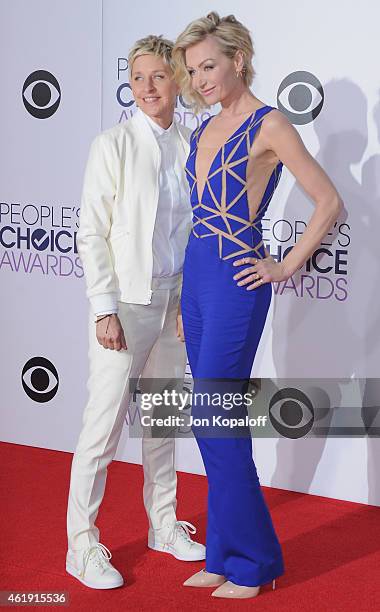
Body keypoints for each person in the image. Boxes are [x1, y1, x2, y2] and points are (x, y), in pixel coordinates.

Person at [172, 12, 343, 600]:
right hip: (196, 278)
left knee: (212, 416)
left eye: (210, 65)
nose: (200, 78)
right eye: (193, 70)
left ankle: (254, 560)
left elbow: (328, 201)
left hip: (236, 278)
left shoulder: (271, 125)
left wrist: (285, 263)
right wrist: (180, 294)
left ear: (239, 59)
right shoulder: (202, 129)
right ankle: (224, 552)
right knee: (213, 421)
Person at [66, 35, 205, 590]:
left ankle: (164, 525)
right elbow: (90, 232)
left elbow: (199, 230)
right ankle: (82, 546)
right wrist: (103, 309)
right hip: (125, 302)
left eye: (158, 76)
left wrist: (189, 299)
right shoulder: (113, 144)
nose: (146, 88)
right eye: (137, 77)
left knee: (163, 420)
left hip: (175, 299)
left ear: (178, 80)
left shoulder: (194, 143)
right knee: (101, 429)